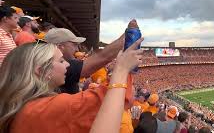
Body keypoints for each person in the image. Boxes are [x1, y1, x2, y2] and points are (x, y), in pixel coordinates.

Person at [0, 38, 144, 133]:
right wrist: (122, 70)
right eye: (61, 61)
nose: (68, 64)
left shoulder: (25, 107)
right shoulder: (41, 109)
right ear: (41, 71)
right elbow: (106, 100)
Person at [44, 27, 125, 94]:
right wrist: (129, 35)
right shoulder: (57, 66)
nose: (77, 49)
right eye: (74, 44)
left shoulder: (47, 63)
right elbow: (103, 57)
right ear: (60, 46)